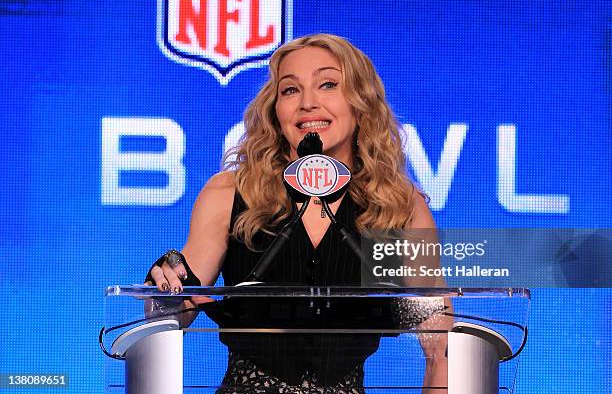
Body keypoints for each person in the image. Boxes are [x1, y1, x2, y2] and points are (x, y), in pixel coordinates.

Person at [145, 34, 452, 393]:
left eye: (327, 84)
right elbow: (176, 311)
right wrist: (166, 290)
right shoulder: (230, 193)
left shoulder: (399, 206)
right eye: (291, 90)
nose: (308, 103)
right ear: (275, 109)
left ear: (361, 103)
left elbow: (441, 347)